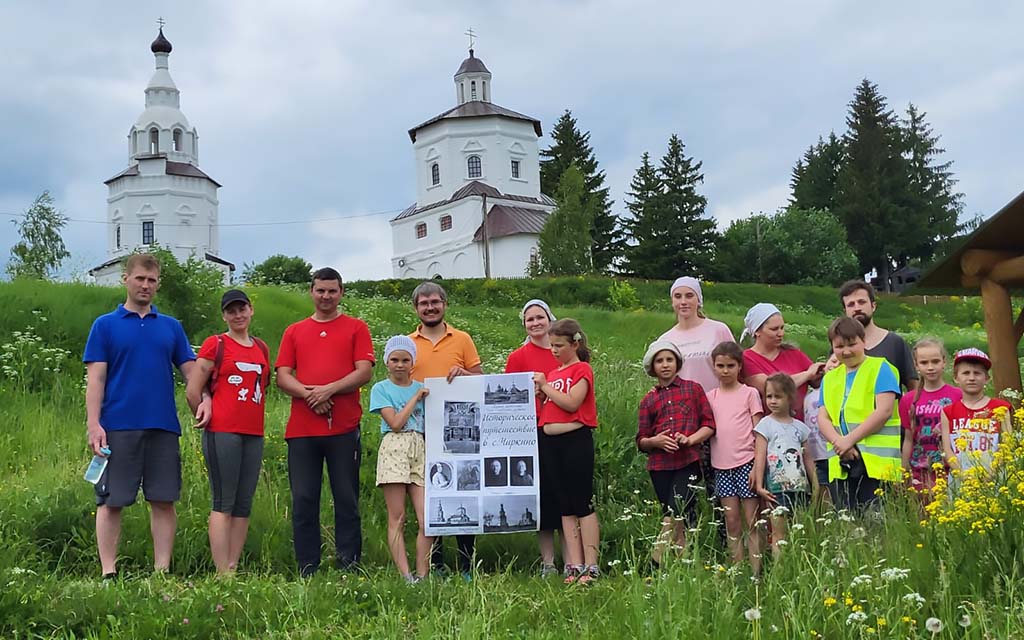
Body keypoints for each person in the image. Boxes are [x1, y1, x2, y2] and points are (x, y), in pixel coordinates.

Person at [83, 253, 210, 578]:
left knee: (163, 499)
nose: (145, 285)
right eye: (140, 278)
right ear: (126, 279)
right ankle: (109, 572)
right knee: (111, 501)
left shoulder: (171, 327)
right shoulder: (105, 325)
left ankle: (161, 571)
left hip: (163, 426)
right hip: (117, 427)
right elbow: (96, 378)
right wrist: (94, 424)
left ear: (158, 284)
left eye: (152, 280)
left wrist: (205, 396)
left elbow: (190, 371)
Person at [275, 268, 374, 577]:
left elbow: (364, 371)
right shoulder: (294, 331)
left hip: (343, 428)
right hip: (302, 431)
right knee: (305, 498)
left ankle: (349, 564)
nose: (326, 296)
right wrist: (310, 395)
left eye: (332, 291)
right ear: (311, 291)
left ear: (341, 292)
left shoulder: (356, 328)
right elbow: (282, 376)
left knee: (346, 498)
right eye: (321, 290)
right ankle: (307, 566)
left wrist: (329, 390)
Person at [185, 289, 270, 574]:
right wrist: (203, 408)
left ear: (251, 310)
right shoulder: (216, 344)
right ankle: (222, 572)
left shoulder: (261, 347)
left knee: (244, 503)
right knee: (224, 500)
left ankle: (233, 567)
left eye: (242, 308)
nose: (238, 315)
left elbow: (263, 386)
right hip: (222, 431)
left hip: (253, 432)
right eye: (231, 311)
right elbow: (193, 389)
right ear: (224, 315)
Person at [407, 281, 482, 579]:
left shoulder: (462, 339)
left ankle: (466, 563)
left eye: (435, 302)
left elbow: (479, 379)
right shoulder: (407, 343)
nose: (430, 307)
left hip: (459, 429)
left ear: (445, 304)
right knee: (430, 496)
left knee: (463, 491)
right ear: (416, 308)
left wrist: (465, 374)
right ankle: (436, 564)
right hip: (421, 429)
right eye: (424, 303)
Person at [635, 340, 715, 568]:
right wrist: (655, 441)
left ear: (677, 363)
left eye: (669, 359)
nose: (665, 365)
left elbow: (709, 424)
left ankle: (654, 561)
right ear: (652, 368)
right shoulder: (648, 400)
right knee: (678, 519)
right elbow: (641, 440)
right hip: (660, 466)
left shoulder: (693, 389)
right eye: (659, 361)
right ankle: (685, 567)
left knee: (674, 511)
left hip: (688, 460)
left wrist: (690, 439)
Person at [534, 319, 601, 585]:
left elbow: (573, 403)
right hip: (551, 441)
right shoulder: (554, 373)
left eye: (559, 345)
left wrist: (547, 387)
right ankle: (574, 564)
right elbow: (553, 405)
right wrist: (542, 394)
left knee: (581, 502)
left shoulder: (581, 369)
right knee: (564, 504)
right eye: (551, 345)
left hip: (575, 440)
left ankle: (592, 564)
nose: (554, 350)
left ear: (575, 343)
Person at [817, 317, 902, 512]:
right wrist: (840, 444)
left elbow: (884, 411)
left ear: (863, 341)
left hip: (875, 464)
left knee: (876, 522)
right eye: (839, 346)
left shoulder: (881, 368)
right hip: (842, 462)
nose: (846, 351)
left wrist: (849, 440)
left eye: (852, 344)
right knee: (847, 522)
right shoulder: (829, 378)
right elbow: (823, 417)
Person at [503, 298, 563, 576]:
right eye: (530, 319)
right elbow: (509, 398)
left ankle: (574, 558)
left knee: (567, 496)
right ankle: (548, 562)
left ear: (550, 319)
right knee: (543, 499)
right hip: (533, 431)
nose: (536, 323)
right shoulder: (518, 357)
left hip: (564, 428)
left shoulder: (562, 351)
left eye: (540, 317)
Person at [369, 335, 431, 584]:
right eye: (395, 359)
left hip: (419, 446)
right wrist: (416, 399)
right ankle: (405, 575)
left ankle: (422, 574)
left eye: (405, 360)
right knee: (397, 517)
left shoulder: (422, 386)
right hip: (395, 446)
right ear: (387, 362)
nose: (400, 365)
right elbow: (394, 423)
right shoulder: (381, 389)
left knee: (427, 519)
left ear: (412, 362)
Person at [706, 342, 764, 573]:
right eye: (720, 366)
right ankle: (737, 569)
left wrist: (757, 467)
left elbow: (759, 432)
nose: (725, 370)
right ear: (714, 367)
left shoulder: (749, 393)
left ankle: (756, 571)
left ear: (740, 366)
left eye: (731, 365)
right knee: (731, 521)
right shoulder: (711, 396)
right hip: (721, 466)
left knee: (752, 519)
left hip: (746, 463)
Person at [753, 373, 815, 556]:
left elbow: (808, 459)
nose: (772, 401)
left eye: (778, 396)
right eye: (769, 396)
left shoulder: (800, 428)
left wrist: (815, 486)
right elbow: (760, 456)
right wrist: (758, 485)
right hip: (775, 488)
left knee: (799, 530)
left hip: (800, 488)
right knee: (779, 533)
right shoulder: (765, 425)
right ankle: (779, 573)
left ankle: (798, 568)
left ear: (790, 398)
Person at [899, 338, 961, 502]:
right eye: (924, 362)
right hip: (920, 468)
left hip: (949, 468)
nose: (930, 367)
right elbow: (908, 438)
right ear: (916, 365)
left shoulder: (957, 396)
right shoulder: (908, 400)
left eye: (935, 361)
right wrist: (904, 471)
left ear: (944, 362)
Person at [740, 302, 824, 419]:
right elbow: (771, 387)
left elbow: (817, 379)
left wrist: (827, 368)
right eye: (774, 329)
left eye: (782, 328)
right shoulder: (747, 358)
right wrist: (808, 374)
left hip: (799, 426)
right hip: (768, 430)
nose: (781, 333)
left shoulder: (793, 354)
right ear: (757, 332)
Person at [941, 348, 1013, 475]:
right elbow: (947, 449)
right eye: (966, 373)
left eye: (977, 373)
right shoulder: (948, 412)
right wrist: (963, 475)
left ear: (987, 378)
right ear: (956, 378)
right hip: (961, 479)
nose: (972, 378)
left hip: (995, 478)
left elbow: (1008, 444)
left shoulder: (1001, 408)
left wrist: (991, 473)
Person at [659, 277, 735, 393]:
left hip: (717, 405)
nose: (683, 302)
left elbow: (736, 369)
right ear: (672, 301)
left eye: (689, 296)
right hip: (682, 407)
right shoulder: (665, 340)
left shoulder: (718, 330)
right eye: (678, 296)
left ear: (699, 300)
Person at [839, 280, 917, 391]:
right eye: (851, 304)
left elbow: (913, 387)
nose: (857, 308)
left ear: (873, 306)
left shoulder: (894, 343)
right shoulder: (840, 348)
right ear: (845, 311)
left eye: (862, 302)